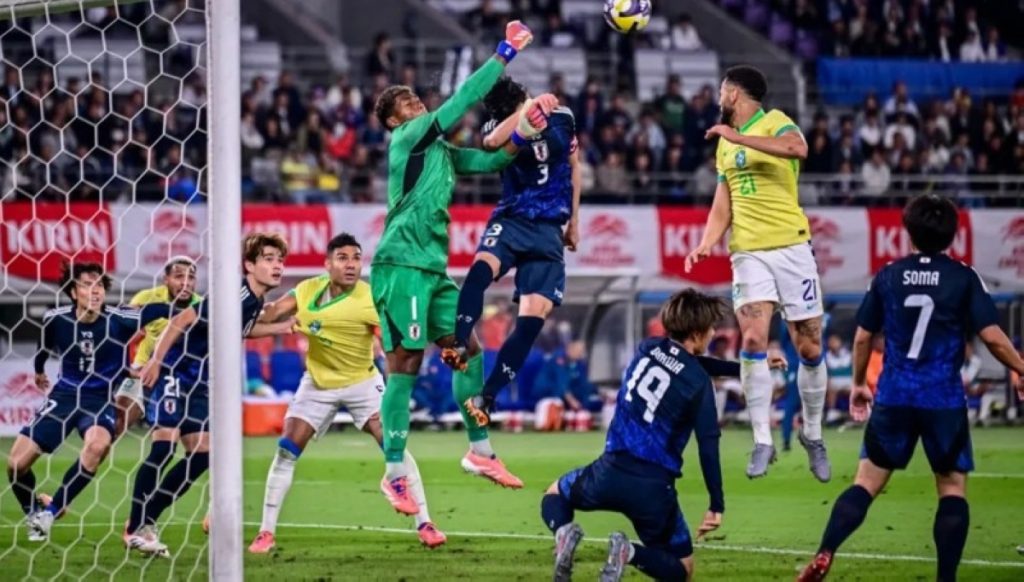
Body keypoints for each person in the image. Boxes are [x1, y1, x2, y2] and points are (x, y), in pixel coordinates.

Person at [798, 195, 1024, 581]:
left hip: (894, 395)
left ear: (909, 233)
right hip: (943, 398)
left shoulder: (888, 275)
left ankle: (825, 551)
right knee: (951, 488)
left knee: (866, 483)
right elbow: (992, 337)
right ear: (952, 235)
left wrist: (858, 384)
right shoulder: (963, 276)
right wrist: (1020, 368)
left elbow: (862, 337)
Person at [369, 20, 548, 507]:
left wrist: (525, 130)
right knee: (405, 362)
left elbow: (492, 162)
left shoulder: (441, 152)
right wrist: (505, 52)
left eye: (415, 99)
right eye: (407, 103)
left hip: (432, 269)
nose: (416, 105)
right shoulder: (409, 139)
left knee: (468, 347)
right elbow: (463, 98)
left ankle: (480, 450)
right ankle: (393, 471)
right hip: (400, 265)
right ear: (394, 121)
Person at [539, 289, 783, 581]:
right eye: (710, 328)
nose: (713, 333)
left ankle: (563, 534)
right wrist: (716, 504)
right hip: (653, 490)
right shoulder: (699, 384)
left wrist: (750, 366)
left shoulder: (648, 347)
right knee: (683, 570)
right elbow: (708, 444)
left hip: (608, 471)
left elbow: (690, 362)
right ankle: (628, 552)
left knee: (555, 493)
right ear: (696, 333)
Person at [248, 233, 445, 552]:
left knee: (393, 444)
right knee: (286, 449)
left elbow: (392, 337)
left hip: (362, 382)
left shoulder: (370, 298)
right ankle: (266, 532)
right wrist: (241, 311)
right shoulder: (307, 289)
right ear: (327, 264)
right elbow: (271, 312)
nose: (351, 264)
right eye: (343, 258)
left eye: (356, 258)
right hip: (317, 383)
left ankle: (425, 523)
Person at [685, 65, 830, 481]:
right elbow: (723, 203)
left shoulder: (776, 121)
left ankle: (813, 435)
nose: (719, 98)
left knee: (809, 347)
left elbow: (798, 148)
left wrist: (739, 138)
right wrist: (707, 241)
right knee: (752, 338)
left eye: (722, 90)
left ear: (734, 93)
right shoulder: (724, 145)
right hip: (748, 251)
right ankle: (762, 440)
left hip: (792, 246)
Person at [124, 233, 294, 555]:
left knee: (202, 454)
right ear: (249, 265)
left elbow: (242, 330)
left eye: (280, 260)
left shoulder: (254, 299)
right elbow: (181, 319)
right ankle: (136, 526)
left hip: (200, 379)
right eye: (269, 259)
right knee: (164, 447)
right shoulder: (234, 293)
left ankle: (146, 519)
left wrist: (281, 327)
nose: (277, 266)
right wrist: (156, 361)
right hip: (174, 369)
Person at [444, 75, 579, 427]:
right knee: (479, 272)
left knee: (531, 321)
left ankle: (487, 397)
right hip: (514, 219)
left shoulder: (563, 116)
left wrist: (575, 222)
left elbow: (574, 166)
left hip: (549, 229)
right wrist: (528, 110)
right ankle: (460, 343)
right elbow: (490, 143)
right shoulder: (499, 125)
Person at [7, 262, 168, 541]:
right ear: (73, 292)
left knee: (98, 446)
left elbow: (157, 311)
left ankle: (51, 512)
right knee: (16, 465)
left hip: (99, 399)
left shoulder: (120, 319)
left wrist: (191, 309)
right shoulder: (56, 319)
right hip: (64, 396)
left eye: (99, 286)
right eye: (87, 285)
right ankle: (33, 512)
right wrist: (39, 371)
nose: (95, 291)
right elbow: (44, 348)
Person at [114, 256, 201, 437]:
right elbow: (121, 331)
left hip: (182, 376)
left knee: (192, 440)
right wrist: (126, 367)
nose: (185, 283)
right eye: (179, 276)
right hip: (144, 370)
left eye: (191, 278)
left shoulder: (202, 305)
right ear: (166, 279)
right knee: (117, 422)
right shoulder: (147, 298)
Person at [824, 334, 853, 424]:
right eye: (831, 342)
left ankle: (854, 415)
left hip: (848, 384)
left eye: (835, 342)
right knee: (831, 390)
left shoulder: (849, 355)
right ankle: (831, 413)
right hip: (834, 385)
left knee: (854, 391)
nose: (834, 344)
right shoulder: (827, 357)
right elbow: (826, 375)